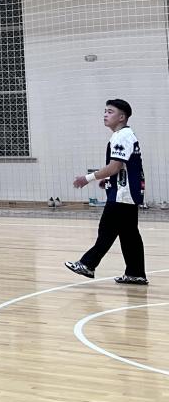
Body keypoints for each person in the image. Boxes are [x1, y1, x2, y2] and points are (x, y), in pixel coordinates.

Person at [65, 99, 147, 285]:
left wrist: (87, 178)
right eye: (105, 111)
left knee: (107, 231)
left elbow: (114, 166)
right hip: (127, 191)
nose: (105, 115)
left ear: (122, 117)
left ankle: (87, 264)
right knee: (129, 235)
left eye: (110, 112)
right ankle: (136, 273)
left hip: (122, 194)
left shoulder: (121, 136)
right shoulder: (125, 135)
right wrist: (109, 180)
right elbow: (121, 167)